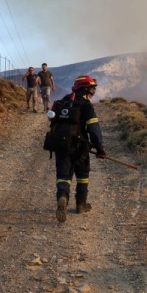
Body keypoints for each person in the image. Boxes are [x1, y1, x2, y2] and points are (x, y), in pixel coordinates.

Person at [48, 75, 106, 222]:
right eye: (92, 89)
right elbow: (93, 128)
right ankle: (81, 204)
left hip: (61, 146)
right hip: (80, 148)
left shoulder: (62, 101)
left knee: (63, 175)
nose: (93, 93)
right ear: (85, 89)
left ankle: (62, 196)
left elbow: (53, 123)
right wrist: (99, 148)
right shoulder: (86, 105)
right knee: (83, 175)